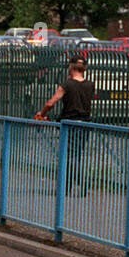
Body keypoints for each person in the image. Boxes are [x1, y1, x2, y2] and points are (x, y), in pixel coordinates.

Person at [34, 53, 96, 191]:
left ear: (71, 67)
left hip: (70, 123)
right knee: (76, 154)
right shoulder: (90, 85)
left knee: (68, 155)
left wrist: (41, 113)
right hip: (85, 123)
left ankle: (77, 183)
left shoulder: (66, 85)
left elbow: (51, 102)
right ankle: (69, 185)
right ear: (84, 68)